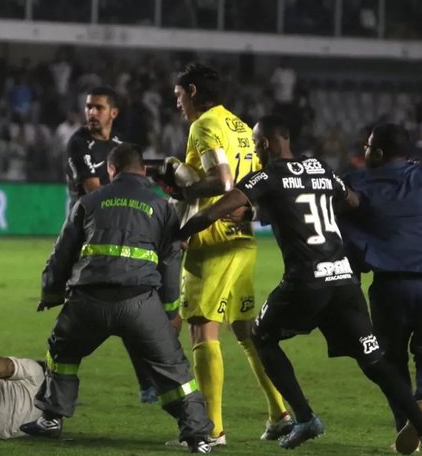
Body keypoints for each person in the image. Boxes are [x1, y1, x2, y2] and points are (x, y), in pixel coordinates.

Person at [178, 114, 422, 454]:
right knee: (376, 360)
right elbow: (355, 201)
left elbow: (215, 211)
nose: (254, 149)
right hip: (343, 281)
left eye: (254, 144)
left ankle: (305, 417)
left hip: (307, 281)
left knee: (261, 335)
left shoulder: (267, 174)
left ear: (264, 144)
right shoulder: (322, 168)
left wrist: (179, 233)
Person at [20, 143, 214, 454]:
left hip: (88, 301)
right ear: (142, 169)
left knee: (62, 353)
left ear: (111, 170)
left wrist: (51, 292)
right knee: (173, 369)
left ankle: (51, 418)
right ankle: (198, 436)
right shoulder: (162, 206)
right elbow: (170, 260)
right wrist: (168, 310)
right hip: (140, 302)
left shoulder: (89, 201)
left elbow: (63, 252)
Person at [172, 62, 289, 445]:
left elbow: (220, 182)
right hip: (244, 239)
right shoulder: (240, 126)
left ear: (191, 91)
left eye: (178, 96)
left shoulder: (203, 125)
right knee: (245, 330)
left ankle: (212, 430)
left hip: (214, 239)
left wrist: (181, 182)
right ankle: (279, 411)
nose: (177, 104)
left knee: (202, 327)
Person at [66, 85, 177, 404]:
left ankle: (146, 383)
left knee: (126, 305)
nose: (91, 113)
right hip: (89, 237)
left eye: (98, 107)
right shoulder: (79, 144)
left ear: (113, 113)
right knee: (109, 310)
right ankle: (61, 383)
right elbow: (95, 191)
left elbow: (137, 176)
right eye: (88, 107)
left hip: (121, 236)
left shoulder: (119, 147)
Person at [340, 123, 422, 446]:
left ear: (378, 152)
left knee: (390, 360)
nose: (364, 151)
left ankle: (407, 421)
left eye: (368, 146)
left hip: (390, 287)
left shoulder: (356, 184)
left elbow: (341, 232)